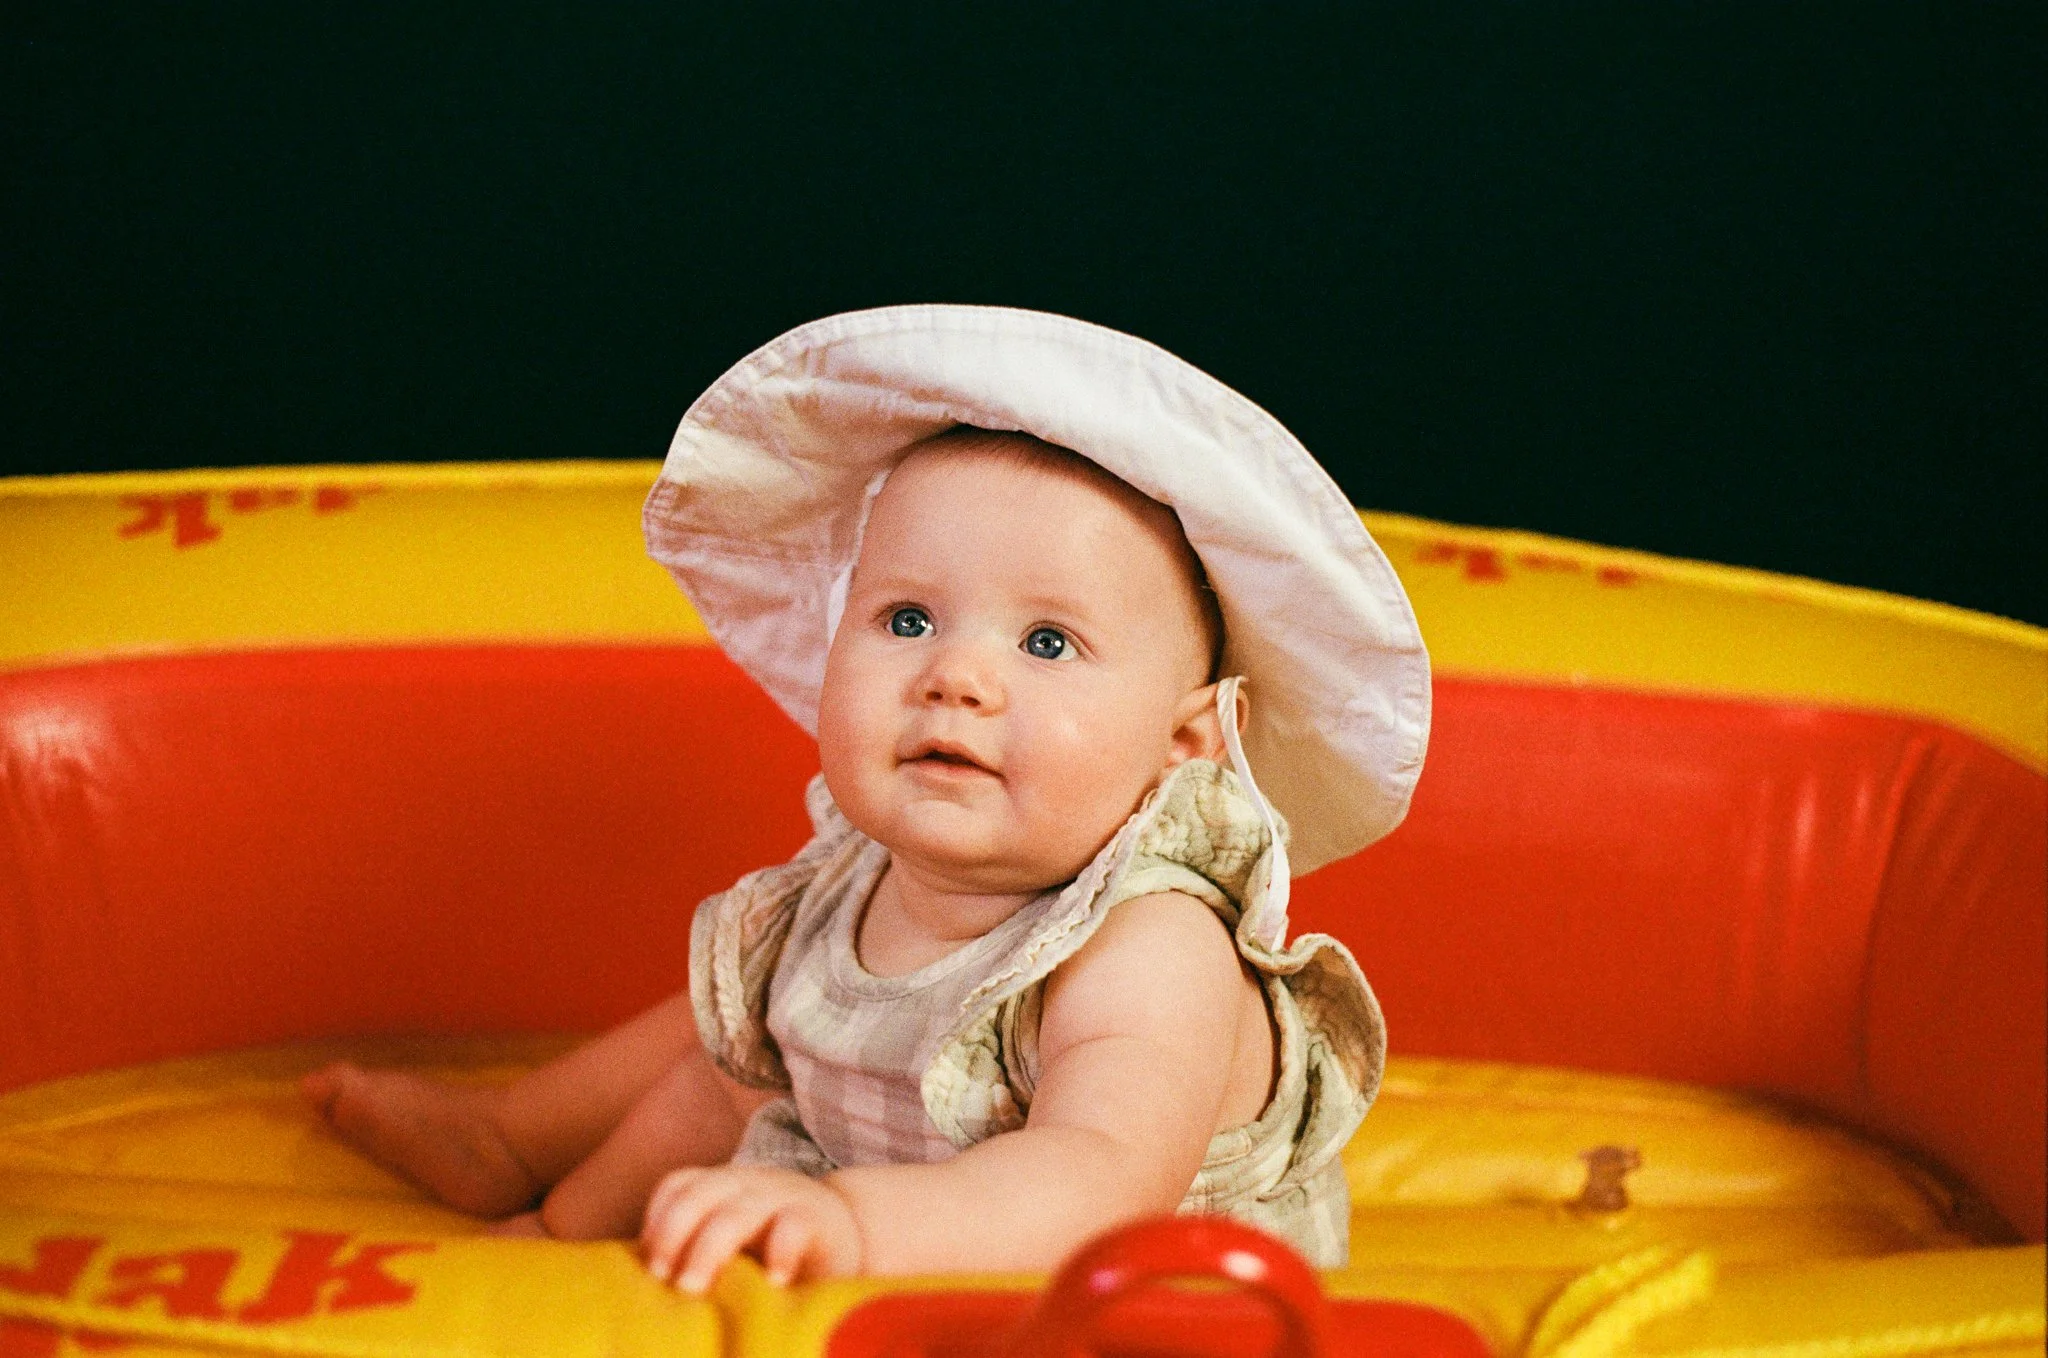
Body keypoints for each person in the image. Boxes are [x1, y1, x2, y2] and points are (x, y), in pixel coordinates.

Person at [302, 305, 1430, 1291]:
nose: (956, 674)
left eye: (1046, 641)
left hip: (1114, 1297)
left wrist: (850, 1221)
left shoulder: (1150, 942)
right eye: (906, 619)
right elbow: (754, 1069)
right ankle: (529, 1178)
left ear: (1186, 741)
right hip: (895, 1200)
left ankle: (540, 1175)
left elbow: (1095, 1180)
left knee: (758, 1068)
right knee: (746, 1053)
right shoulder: (861, 873)